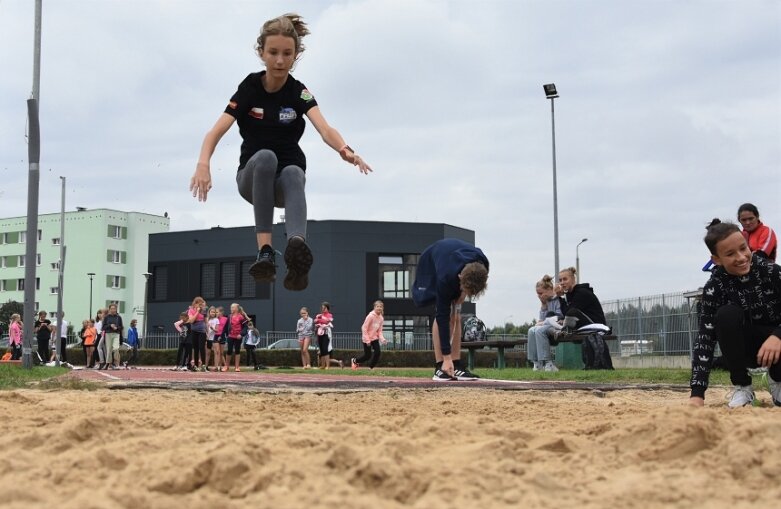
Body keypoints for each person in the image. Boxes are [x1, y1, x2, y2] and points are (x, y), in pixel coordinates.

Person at [190, 13, 372, 291]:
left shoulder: (299, 93)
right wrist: (204, 164)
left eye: (287, 54)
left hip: (284, 187)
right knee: (266, 157)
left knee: (294, 171)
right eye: (273, 53)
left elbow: (325, 128)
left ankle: (296, 250)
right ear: (261, 52)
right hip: (252, 180)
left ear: (295, 56)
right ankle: (265, 252)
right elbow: (214, 132)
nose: (279, 60)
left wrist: (345, 149)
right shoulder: (249, 88)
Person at [689, 219, 781, 408]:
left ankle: (778, 380)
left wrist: (778, 336)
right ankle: (742, 386)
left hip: (777, 342)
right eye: (730, 254)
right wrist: (697, 395)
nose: (741, 257)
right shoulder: (715, 287)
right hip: (744, 349)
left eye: (743, 248)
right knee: (725, 315)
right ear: (716, 259)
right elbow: (705, 339)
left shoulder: (772, 272)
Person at [412, 238, 489, 381]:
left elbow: (474, 281)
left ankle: (457, 365)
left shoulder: (483, 265)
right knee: (445, 315)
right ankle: (440, 365)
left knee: (457, 313)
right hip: (432, 261)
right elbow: (441, 317)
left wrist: (463, 293)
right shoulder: (445, 277)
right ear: (460, 277)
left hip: (458, 262)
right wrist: (446, 357)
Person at [525, 275, 564, 372]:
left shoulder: (557, 300)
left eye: (540, 293)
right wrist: (543, 305)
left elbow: (559, 316)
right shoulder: (546, 302)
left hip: (557, 327)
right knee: (531, 330)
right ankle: (536, 363)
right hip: (547, 327)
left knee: (539, 330)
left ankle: (548, 363)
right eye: (537, 294)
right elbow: (542, 319)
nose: (539, 296)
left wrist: (543, 322)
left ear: (549, 290)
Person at [353, 300, 387, 370]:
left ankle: (371, 368)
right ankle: (355, 361)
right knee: (367, 356)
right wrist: (367, 340)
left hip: (374, 338)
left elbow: (380, 331)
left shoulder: (381, 318)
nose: (379, 308)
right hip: (367, 338)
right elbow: (364, 328)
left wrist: (383, 339)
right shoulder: (370, 316)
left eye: (381, 307)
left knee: (378, 352)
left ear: (382, 308)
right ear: (374, 307)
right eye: (377, 306)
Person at [227, 303, 250, 372]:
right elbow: (226, 327)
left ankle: (237, 367)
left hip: (238, 337)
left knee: (237, 351)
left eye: (233, 307)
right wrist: (224, 334)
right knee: (229, 350)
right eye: (231, 307)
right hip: (230, 336)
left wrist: (241, 334)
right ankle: (226, 366)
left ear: (237, 309)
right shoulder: (229, 316)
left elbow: (245, 327)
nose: (231, 309)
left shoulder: (241, 317)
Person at [187, 297, 208, 371]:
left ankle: (203, 365)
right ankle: (195, 366)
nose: (200, 305)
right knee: (195, 348)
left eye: (201, 304)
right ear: (195, 303)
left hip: (202, 331)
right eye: (199, 304)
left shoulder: (204, 311)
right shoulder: (191, 310)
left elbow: (206, 322)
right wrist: (197, 312)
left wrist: (207, 332)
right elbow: (191, 321)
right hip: (194, 331)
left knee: (202, 348)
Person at [314, 302, 335, 369]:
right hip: (320, 333)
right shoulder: (320, 315)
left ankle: (327, 366)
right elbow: (315, 321)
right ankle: (323, 365)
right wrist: (319, 320)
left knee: (325, 349)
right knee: (322, 349)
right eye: (322, 308)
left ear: (327, 308)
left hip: (326, 333)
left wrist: (320, 320)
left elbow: (327, 321)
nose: (323, 309)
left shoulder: (329, 315)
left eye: (324, 308)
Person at [102, 305, 123, 369]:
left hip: (116, 334)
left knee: (116, 348)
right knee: (109, 350)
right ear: (109, 309)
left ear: (116, 309)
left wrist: (116, 328)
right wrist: (110, 325)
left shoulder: (118, 317)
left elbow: (121, 327)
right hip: (108, 334)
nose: (113, 310)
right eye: (111, 308)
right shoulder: (106, 317)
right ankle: (108, 363)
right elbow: (103, 327)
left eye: (114, 308)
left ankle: (117, 364)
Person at [205, 307, 219, 371]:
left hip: (214, 338)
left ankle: (216, 367)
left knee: (216, 352)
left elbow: (217, 330)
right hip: (208, 338)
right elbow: (205, 329)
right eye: (211, 312)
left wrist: (212, 328)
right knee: (208, 353)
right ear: (209, 312)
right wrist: (206, 334)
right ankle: (206, 366)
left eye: (214, 312)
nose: (213, 313)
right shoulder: (207, 319)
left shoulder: (216, 320)